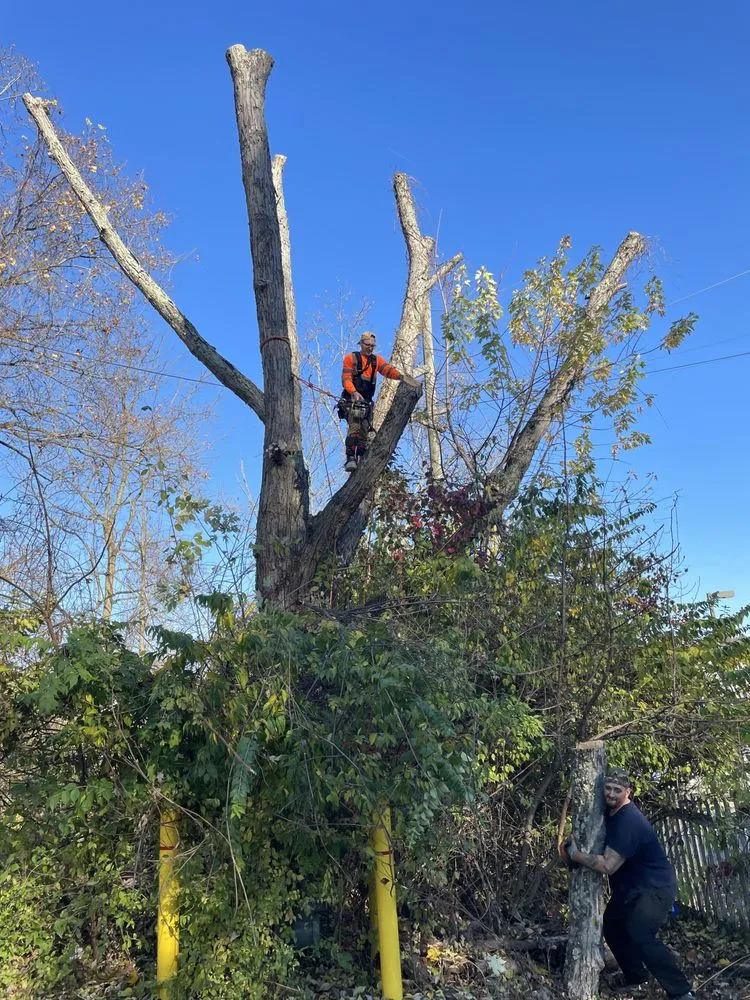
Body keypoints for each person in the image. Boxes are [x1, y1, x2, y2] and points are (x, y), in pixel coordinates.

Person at [564, 768, 694, 1000]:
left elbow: (608, 866)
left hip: (654, 887)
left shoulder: (629, 821)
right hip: (630, 888)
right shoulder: (609, 811)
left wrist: (575, 855)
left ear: (628, 792)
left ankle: (681, 992)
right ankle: (636, 977)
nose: (611, 794)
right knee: (613, 927)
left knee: (640, 934)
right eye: (608, 788)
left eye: (617, 790)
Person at [340, 332, 402, 472]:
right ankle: (351, 458)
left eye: (372, 346)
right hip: (352, 399)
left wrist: (400, 376)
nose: (370, 348)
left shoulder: (376, 360)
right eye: (367, 345)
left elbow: (387, 370)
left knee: (364, 430)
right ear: (361, 344)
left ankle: (360, 457)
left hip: (367, 401)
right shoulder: (351, 358)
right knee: (354, 427)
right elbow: (346, 379)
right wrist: (354, 392)